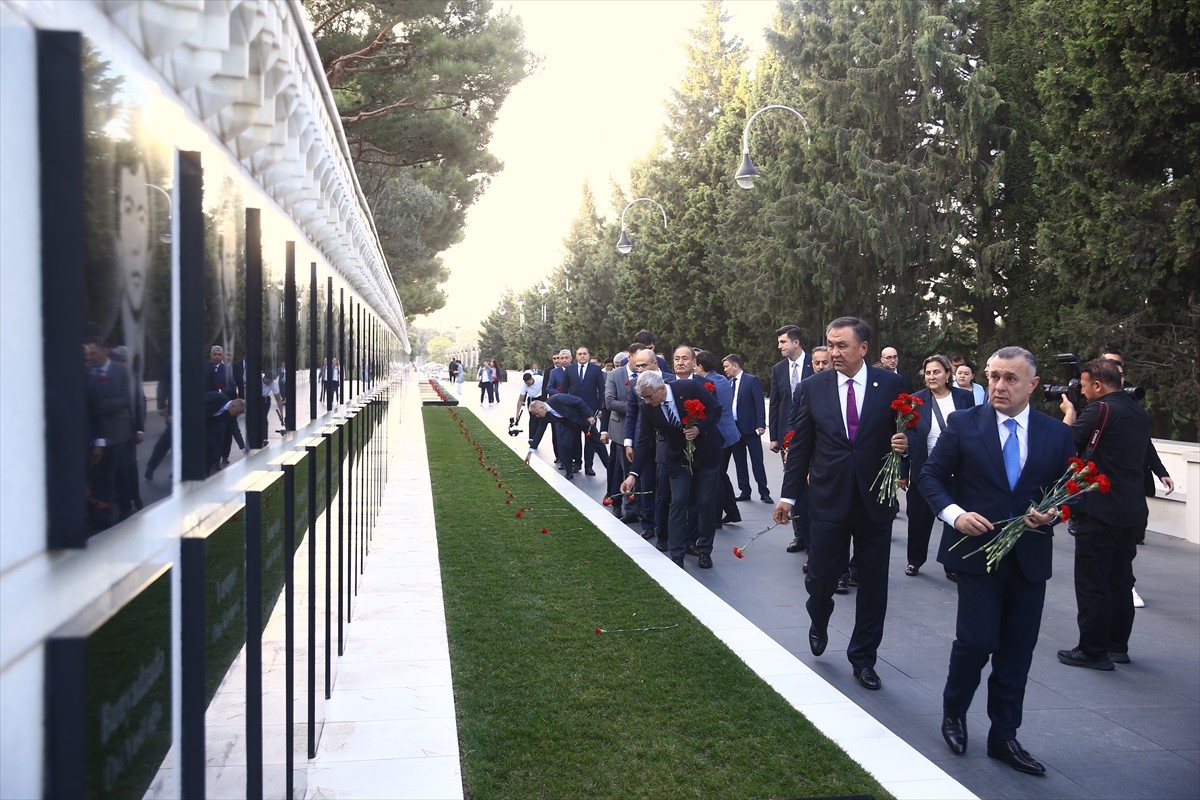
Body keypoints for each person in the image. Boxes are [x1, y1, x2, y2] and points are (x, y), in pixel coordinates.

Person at [919, 346, 1075, 776]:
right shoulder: (964, 423)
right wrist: (955, 514)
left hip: (1029, 558)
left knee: (1016, 651)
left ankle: (1004, 735)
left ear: (1033, 385)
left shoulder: (1056, 434)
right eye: (994, 377)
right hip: (975, 554)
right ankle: (954, 713)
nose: (999, 386)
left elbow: (1069, 491)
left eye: (1010, 378)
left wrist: (1055, 513)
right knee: (976, 642)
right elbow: (931, 475)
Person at [772, 317, 908, 691]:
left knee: (873, 585)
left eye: (842, 345)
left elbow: (908, 430)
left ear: (863, 348)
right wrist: (788, 496)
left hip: (874, 503)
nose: (834, 352)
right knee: (819, 579)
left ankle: (864, 658)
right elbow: (800, 447)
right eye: (830, 345)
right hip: (827, 501)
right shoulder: (813, 388)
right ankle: (819, 617)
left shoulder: (891, 385)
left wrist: (905, 447)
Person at [1055, 358, 1154, 670]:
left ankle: (1092, 650)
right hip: (1131, 510)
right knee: (1120, 580)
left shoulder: (1100, 410)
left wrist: (1070, 415)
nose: (1081, 393)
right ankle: (1117, 646)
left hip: (1099, 510)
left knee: (1093, 582)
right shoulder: (1138, 411)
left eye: (1083, 386)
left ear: (1097, 385)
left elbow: (1063, 442)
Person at [621, 371, 723, 569]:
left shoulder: (688, 387)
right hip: (678, 458)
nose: (647, 401)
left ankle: (704, 550)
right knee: (678, 502)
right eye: (644, 398)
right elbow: (643, 443)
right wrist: (633, 475)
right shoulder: (647, 407)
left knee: (705, 503)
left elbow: (715, 410)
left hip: (707, 455)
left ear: (661, 389)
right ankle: (676, 554)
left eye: (650, 396)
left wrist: (699, 428)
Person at [901, 355, 973, 578]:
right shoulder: (915, 401)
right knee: (919, 519)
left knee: (955, 519)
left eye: (937, 372)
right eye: (928, 373)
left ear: (948, 374)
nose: (932, 377)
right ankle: (915, 560)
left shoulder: (964, 398)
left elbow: (972, 431)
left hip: (958, 471)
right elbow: (907, 437)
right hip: (925, 470)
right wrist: (904, 473)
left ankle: (952, 564)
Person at [769, 325, 813, 554]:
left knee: (813, 486)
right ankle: (800, 535)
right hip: (789, 437)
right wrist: (774, 436)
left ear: (796, 342)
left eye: (783, 342)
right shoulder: (778, 369)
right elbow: (775, 402)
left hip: (814, 434)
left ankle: (815, 533)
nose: (780, 346)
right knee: (793, 484)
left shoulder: (816, 363)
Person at [694, 349, 741, 524]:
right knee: (721, 474)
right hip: (729, 434)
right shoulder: (721, 379)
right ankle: (732, 512)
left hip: (719, 436)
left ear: (699, 366)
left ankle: (716, 516)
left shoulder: (708, 384)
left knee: (716, 477)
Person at [722, 354, 771, 504]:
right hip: (735, 429)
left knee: (757, 460)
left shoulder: (751, 380)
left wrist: (761, 424)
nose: (725, 370)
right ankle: (745, 490)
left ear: (735, 365)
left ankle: (764, 491)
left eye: (726, 366)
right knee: (739, 461)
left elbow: (759, 403)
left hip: (750, 428)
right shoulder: (729, 384)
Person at [524, 395, 599, 480]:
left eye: (537, 413)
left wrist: (589, 415)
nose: (537, 416)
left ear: (542, 408)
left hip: (582, 419)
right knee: (564, 445)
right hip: (568, 426)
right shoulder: (544, 416)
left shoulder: (556, 399)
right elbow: (539, 433)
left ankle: (607, 466)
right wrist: (530, 452)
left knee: (597, 443)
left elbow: (578, 401)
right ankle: (569, 471)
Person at [601, 352, 635, 521]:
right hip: (619, 430)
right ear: (630, 356)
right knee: (619, 469)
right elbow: (608, 403)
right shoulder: (615, 375)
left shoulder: (651, 370)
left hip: (641, 430)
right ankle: (620, 504)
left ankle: (636, 507)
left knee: (633, 470)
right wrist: (604, 430)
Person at [565, 346, 608, 476]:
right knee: (575, 438)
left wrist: (601, 407)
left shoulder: (595, 370)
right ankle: (577, 463)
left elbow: (601, 389)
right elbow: (564, 389)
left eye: (584, 353)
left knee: (590, 438)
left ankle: (589, 466)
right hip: (574, 410)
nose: (582, 356)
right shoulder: (569, 369)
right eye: (579, 354)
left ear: (588, 355)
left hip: (590, 410)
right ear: (576, 356)